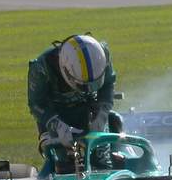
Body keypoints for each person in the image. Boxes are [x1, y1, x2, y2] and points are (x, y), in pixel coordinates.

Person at [27, 33, 117, 172]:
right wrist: (56, 124)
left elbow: (108, 85)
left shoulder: (102, 54)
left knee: (102, 162)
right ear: (65, 70)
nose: (88, 89)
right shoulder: (41, 68)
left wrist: (102, 114)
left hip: (90, 111)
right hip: (55, 115)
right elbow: (36, 104)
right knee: (64, 166)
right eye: (83, 85)